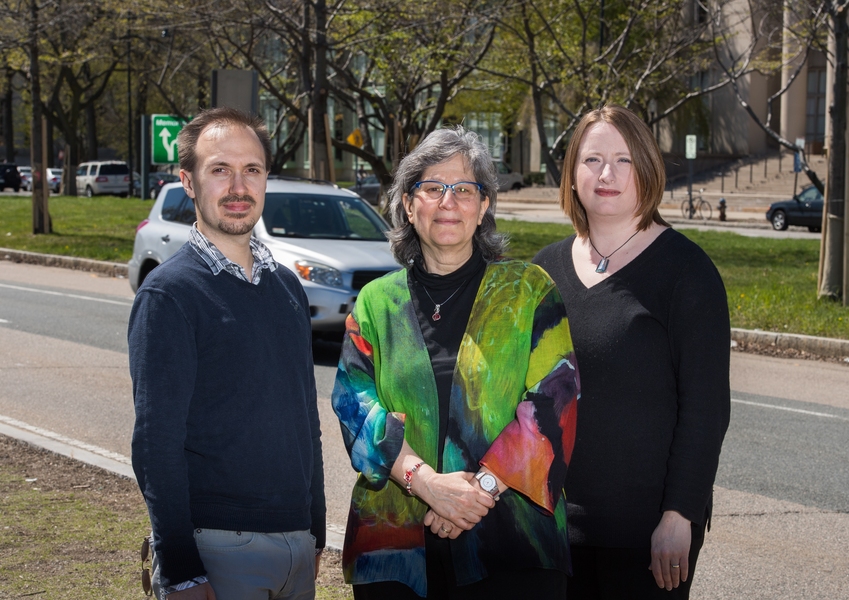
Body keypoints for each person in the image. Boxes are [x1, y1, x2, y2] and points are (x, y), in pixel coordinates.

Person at [331, 126, 579, 599]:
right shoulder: (374, 304)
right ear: (408, 204)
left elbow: (554, 401)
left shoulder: (529, 290)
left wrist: (475, 492)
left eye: (465, 189)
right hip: (397, 550)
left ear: (484, 206)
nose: (449, 202)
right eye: (431, 188)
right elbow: (353, 403)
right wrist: (426, 483)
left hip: (512, 546)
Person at [533, 105, 731, 599]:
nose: (606, 174)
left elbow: (706, 409)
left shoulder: (687, 272)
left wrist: (679, 514)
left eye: (623, 160)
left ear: (647, 167)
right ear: (572, 172)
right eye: (592, 159)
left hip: (645, 536)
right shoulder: (543, 273)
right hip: (549, 527)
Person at [129, 106, 326, 600]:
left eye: (252, 170)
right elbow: (156, 445)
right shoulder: (169, 295)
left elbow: (306, 419)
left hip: (297, 547)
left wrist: (317, 529)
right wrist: (179, 569)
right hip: (216, 548)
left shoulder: (287, 289)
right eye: (220, 170)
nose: (238, 187)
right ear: (189, 182)